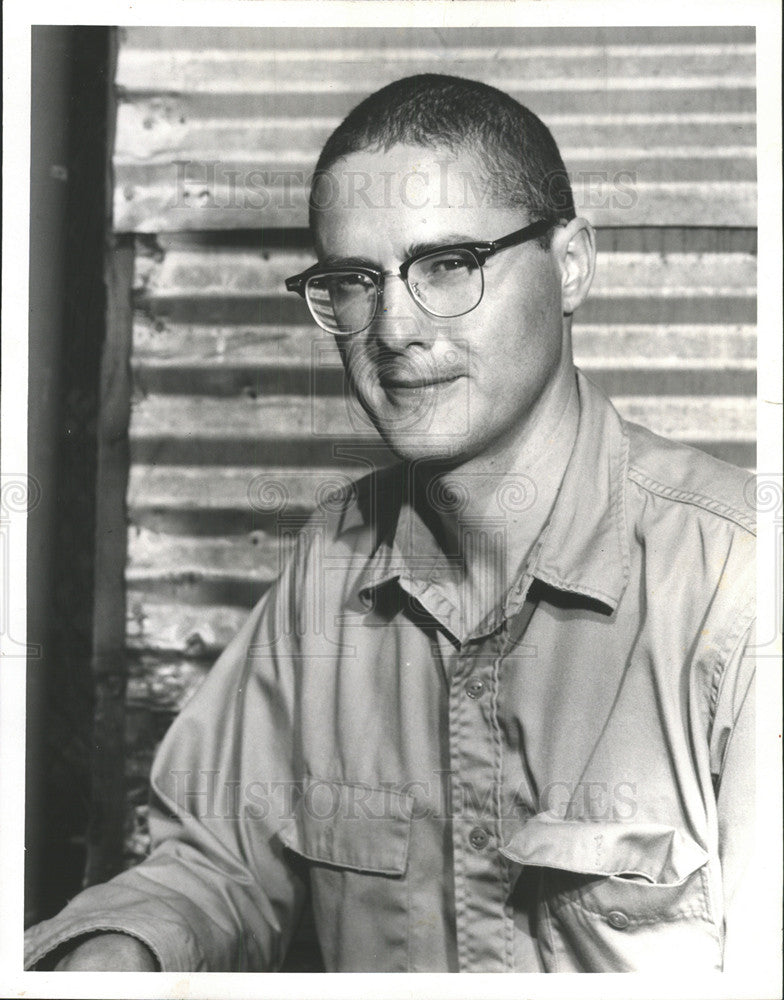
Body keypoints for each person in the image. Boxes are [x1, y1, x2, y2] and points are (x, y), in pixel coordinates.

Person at [25, 73, 756, 974]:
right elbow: (215, 868)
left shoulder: (740, 586)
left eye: (447, 264)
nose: (395, 329)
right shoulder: (329, 569)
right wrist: (116, 952)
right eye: (354, 282)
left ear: (572, 265)